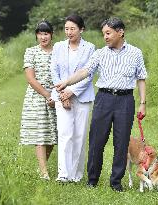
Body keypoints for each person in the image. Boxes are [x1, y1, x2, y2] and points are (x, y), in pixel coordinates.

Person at [55, 17, 147, 191]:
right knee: (97, 141)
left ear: (120, 32)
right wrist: (67, 82)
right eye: (103, 33)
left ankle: (116, 182)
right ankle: (92, 179)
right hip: (104, 100)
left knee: (121, 143)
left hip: (125, 101)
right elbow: (84, 71)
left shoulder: (136, 53)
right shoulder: (100, 53)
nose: (105, 37)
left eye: (108, 33)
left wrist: (143, 103)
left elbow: (141, 78)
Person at [50, 14, 95, 182]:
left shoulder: (90, 48)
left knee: (79, 136)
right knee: (64, 134)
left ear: (81, 29)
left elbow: (88, 74)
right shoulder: (59, 47)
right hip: (61, 96)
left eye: (72, 29)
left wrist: (72, 91)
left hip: (82, 97)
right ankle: (63, 174)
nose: (69, 32)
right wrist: (63, 94)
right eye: (66, 29)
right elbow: (54, 71)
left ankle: (76, 175)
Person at [20, 20, 57, 180]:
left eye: (46, 33)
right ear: (36, 35)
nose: (43, 37)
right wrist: (47, 95)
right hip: (37, 97)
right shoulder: (31, 52)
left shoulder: (58, 51)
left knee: (53, 136)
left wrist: (55, 95)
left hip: (56, 97)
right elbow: (30, 78)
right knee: (40, 135)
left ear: (51, 35)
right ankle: (44, 172)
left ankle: (42, 167)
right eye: (40, 34)